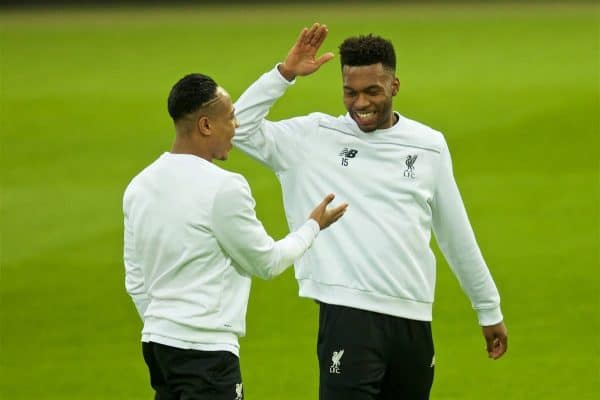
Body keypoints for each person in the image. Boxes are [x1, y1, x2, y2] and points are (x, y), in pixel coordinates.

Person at [233, 23, 508, 399]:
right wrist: (284, 75)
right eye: (350, 92)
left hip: (414, 318)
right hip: (349, 316)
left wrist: (488, 308)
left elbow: (455, 233)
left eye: (372, 91)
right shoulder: (312, 138)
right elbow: (238, 128)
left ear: (394, 86)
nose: (360, 103)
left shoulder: (429, 146)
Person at [123, 72, 348, 400]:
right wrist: (312, 226)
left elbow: (135, 280)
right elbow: (267, 263)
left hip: (158, 347)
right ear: (205, 126)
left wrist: (167, 326)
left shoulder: (139, 186)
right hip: (207, 354)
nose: (236, 127)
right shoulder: (224, 188)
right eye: (230, 118)